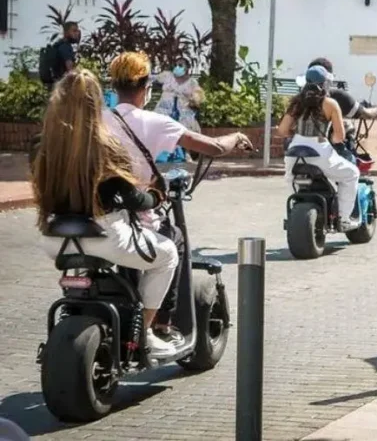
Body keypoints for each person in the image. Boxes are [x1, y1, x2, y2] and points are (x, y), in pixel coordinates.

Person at [104, 52, 253, 343]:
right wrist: (236, 137)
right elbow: (212, 148)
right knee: (174, 240)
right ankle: (160, 323)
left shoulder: (98, 119)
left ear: (114, 86)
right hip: (134, 212)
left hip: (98, 212)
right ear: (146, 88)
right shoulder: (154, 122)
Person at [33, 69, 178, 358]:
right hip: (106, 235)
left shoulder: (42, 146)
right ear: (96, 103)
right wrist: (155, 197)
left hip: (54, 237)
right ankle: (146, 333)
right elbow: (130, 197)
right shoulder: (105, 145)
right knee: (168, 254)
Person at [278, 65, 361, 231]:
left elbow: (282, 131)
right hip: (320, 151)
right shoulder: (330, 104)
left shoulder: (296, 103)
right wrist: (332, 140)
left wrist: (298, 132)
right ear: (325, 84)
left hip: (294, 152)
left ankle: (297, 207)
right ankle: (344, 218)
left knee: (292, 181)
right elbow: (339, 136)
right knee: (352, 174)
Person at [153, 57, 204, 133]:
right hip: (163, 111)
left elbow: (197, 98)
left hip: (182, 114)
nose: (177, 67)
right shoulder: (167, 76)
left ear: (187, 68)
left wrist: (192, 99)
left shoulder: (192, 83)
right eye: (175, 65)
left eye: (180, 65)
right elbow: (152, 79)